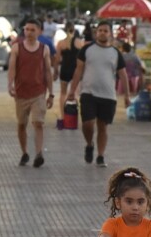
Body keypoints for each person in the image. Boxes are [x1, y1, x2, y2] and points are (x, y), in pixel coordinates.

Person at [68, 21, 130, 168]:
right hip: (88, 93)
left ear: (110, 34)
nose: (102, 33)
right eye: (100, 30)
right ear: (96, 33)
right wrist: (72, 91)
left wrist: (127, 95)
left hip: (108, 95)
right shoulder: (86, 50)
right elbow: (78, 70)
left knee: (103, 127)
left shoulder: (115, 53)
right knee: (87, 124)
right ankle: (89, 144)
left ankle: (100, 155)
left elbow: (123, 75)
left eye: (105, 31)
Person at [7, 18, 55, 168]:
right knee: (22, 124)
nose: (29, 32)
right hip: (21, 93)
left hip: (39, 92)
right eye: (27, 29)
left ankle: (39, 153)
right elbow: (12, 68)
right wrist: (10, 84)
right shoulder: (17, 48)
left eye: (32, 30)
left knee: (38, 123)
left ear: (39, 31)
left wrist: (51, 93)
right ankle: (24, 152)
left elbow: (48, 72)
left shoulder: (44, 49)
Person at [56, 22, 84, 128]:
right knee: (75, 93)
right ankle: (73, 116)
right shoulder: (79, 43)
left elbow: (57, 59)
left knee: (63, 93)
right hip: (76, 71)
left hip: (64, 70)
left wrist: (55, 71)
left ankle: (63, 116)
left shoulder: (60, 43)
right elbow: (82, 59)